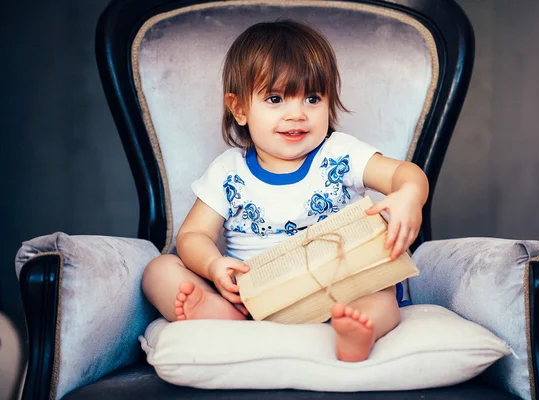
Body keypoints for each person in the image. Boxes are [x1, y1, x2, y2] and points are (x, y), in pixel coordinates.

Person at [142, 19, 429, 362]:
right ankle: (225, 315)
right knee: (158, 271)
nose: (297, 114)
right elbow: (192, 235)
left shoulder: (340, 154)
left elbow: (403, 172)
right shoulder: (228, 171)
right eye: (276, 98)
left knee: (379, 293)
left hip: (336, 289)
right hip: (252, 296)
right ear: (240, 108)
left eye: (312, 98)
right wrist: (213, 264)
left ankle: (357, 330)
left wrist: (410, 193)